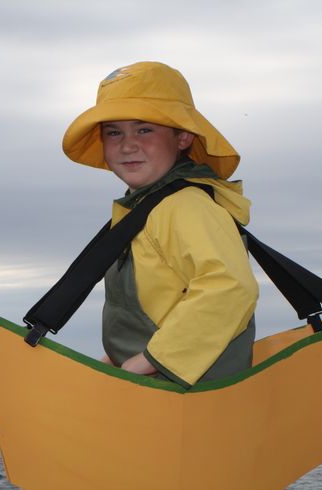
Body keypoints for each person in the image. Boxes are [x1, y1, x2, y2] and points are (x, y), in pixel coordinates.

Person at [62, 61, 259, 389]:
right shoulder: (142, 210)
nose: (127, 145)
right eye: (114, 132)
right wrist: (113, 362)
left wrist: (145, 364)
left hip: (190, 399)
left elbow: (230, 286)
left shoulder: (186, 205)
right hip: (157, 393)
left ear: (182, 137)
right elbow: (161, 306)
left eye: (144, 129)